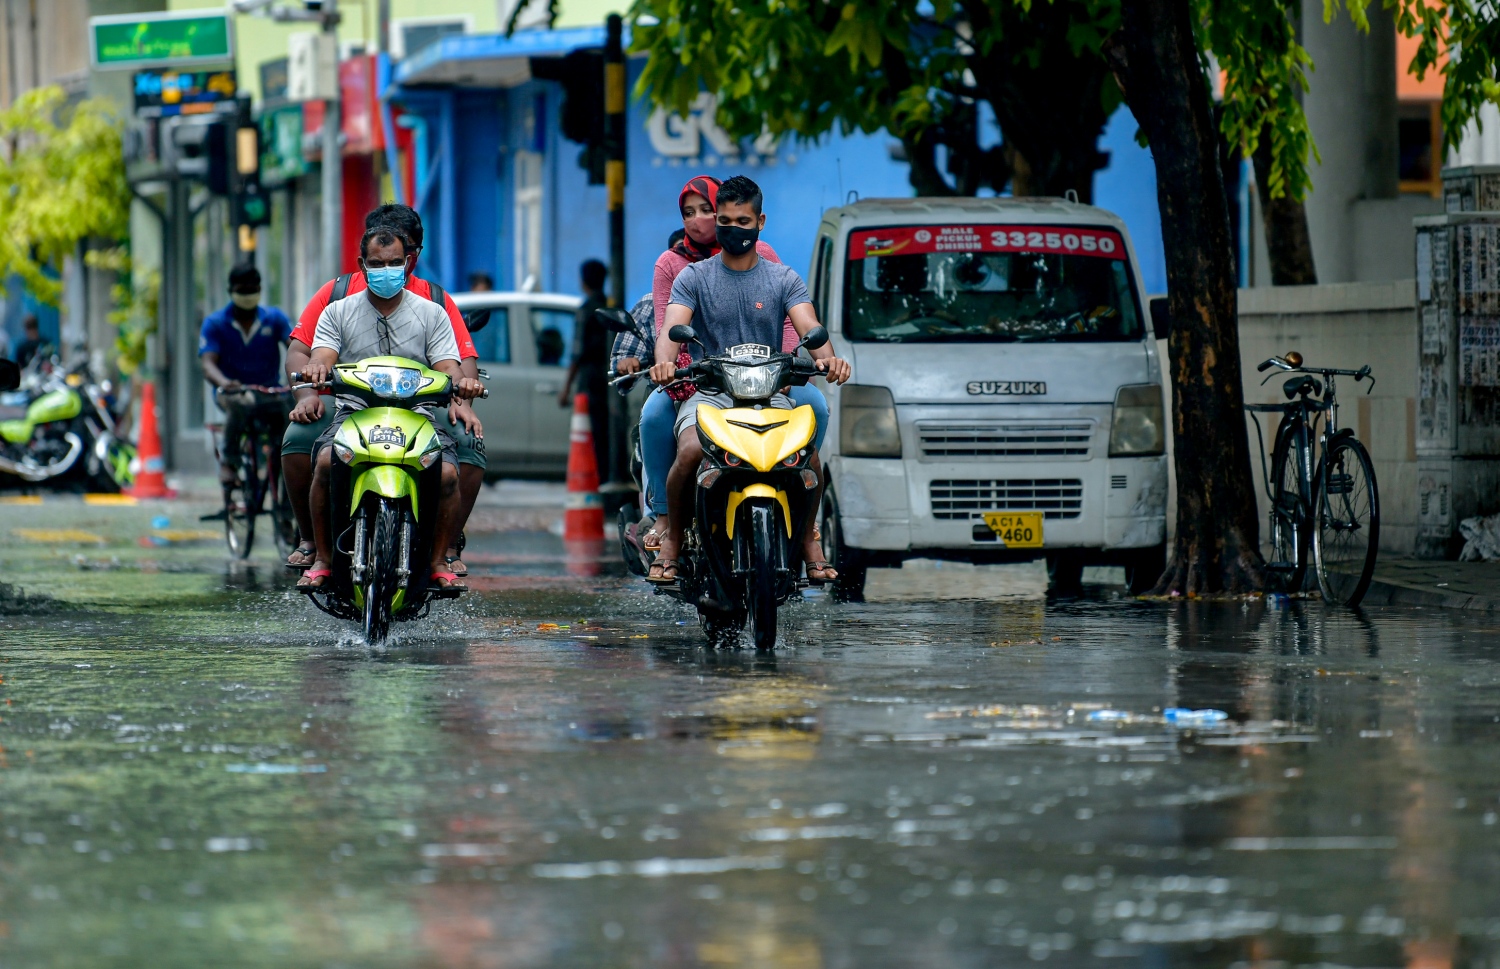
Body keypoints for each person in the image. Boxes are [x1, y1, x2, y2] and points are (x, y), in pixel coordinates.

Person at [647, 175, 851, 585]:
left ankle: (809, 538)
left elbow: (810, 326)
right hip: (710, 394)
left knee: (808, 458)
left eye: (743, 220)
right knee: (688, 451)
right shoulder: (693, 277)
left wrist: (829, 361)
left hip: (769, 394)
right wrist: (664, 364)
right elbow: (672, 328)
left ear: (761, 221)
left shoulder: (783, 278)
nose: (732, 228)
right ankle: (671, 542)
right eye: (725, 220)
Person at [283, 204, 485, 575]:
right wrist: (308, 392)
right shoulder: (338, 298)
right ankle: (313, 541)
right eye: (377, 260)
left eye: (397, 257)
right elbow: (307, 351)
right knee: (301, 437)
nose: (388, 268)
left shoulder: (433, 304)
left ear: (412, 256)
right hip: (350, 406)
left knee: (467, 443)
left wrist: (462, 397)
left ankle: (447, 547)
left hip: (418, 407)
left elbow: (456, 359)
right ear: (363, 258)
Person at [199, 263, 293, 485]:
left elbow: (296, 346)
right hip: (232, 392)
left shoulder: (275, 319)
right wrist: (224, 382)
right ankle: (229, 462)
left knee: (292, 411)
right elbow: (208, 364)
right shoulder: (215, 324)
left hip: (269, 391)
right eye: (242, 290)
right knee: (241, 401)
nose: (248, 295)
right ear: (231, 290)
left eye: (252, 290)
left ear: (260, 290)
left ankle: (289, 467)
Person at [558, 259, 611, 477]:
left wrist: (566, 388)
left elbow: (577, 353)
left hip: (590, 380)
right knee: (605, 435)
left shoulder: (586, 310)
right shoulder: (610, 306)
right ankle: (606, 477)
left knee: (590, 434)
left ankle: (595, 481)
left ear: (584, 281)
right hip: (610, 379)